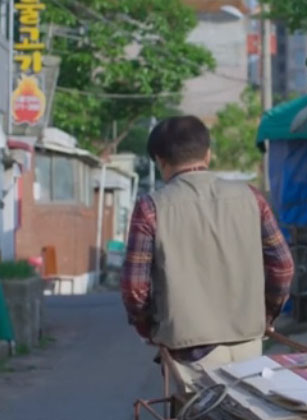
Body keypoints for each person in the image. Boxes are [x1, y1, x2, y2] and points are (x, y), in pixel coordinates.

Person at [121, 116, 294, 376]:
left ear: (160, 161)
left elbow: (134, 287)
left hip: (188, 353)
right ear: (208, 154)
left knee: (193, 405)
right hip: (248, 344)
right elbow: (283, 266)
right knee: (247, 403)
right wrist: (266, 315)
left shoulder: (151, 208)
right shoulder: (252, 198)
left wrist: (149, 328)